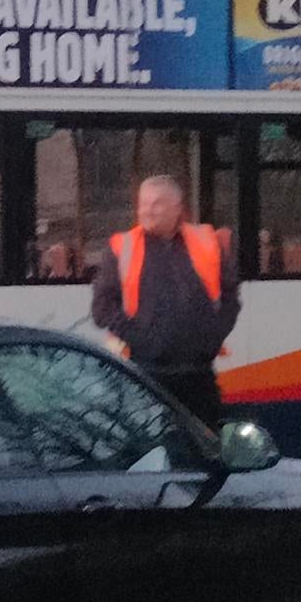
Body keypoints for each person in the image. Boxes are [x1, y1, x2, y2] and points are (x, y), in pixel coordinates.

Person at [89, 175, 240, 425]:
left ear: (177, 209)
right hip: (144, 376)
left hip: (198, 376)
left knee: (207, 450)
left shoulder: (207, 242)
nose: (147, 210)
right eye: (143, 203)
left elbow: (230, 297)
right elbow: (102, 308)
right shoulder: (121, 248)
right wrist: (145, 341)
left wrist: (211, 337)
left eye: (156, 203)